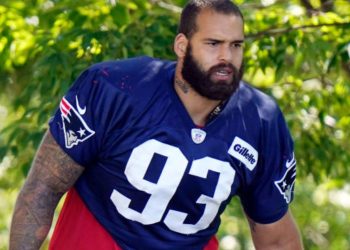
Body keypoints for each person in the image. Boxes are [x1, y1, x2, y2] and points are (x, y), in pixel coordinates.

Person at [10, 0, 303, 249]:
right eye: (213, 44)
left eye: (236, 45)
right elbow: (42, 189)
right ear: (182, 45)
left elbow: (276, 238)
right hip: (97, 237)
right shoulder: (115, 87)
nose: (226, 57)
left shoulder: (260, 120)